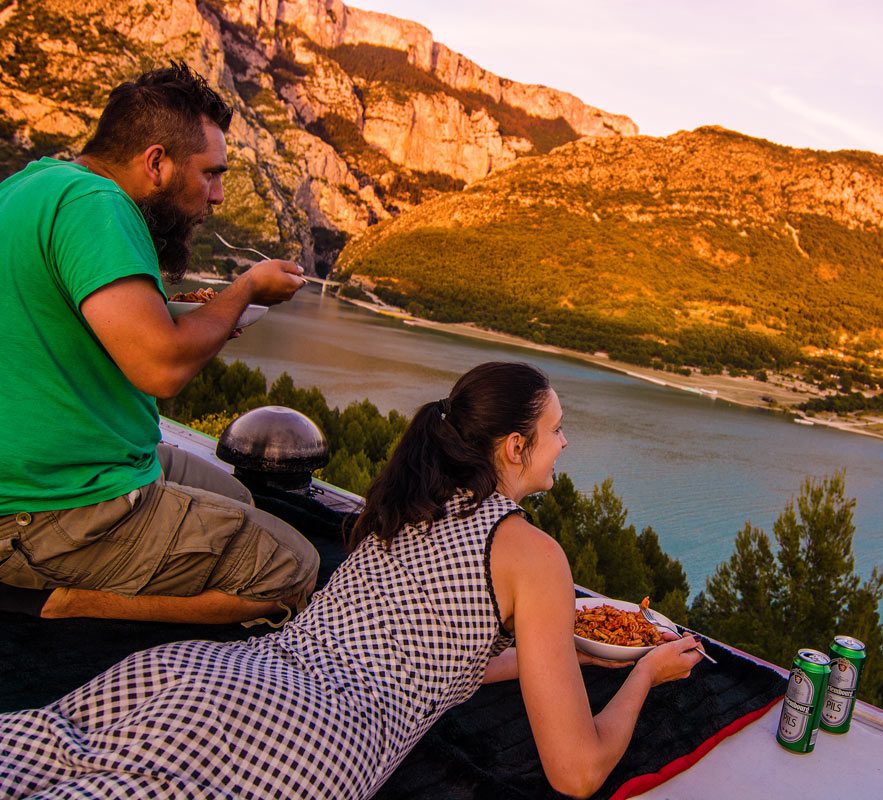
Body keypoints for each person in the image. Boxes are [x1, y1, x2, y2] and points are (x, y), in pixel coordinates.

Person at [0, 361, 708, 799]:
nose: (565, 443)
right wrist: (641, 676)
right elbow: (576, 773)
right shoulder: (531, 554)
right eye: (558, 429)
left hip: (208, 675)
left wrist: (566, 653)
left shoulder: (410, 500)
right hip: (309, 739)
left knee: (36, 755)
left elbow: (427, 651)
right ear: (515, 446)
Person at [0, 62, 318, 623]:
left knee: (238, 500)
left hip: (70, 467)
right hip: (55, 507)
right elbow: (161, 369)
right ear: (156, 162)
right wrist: (246, 285)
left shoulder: (32, 184)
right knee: (294, 568)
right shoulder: (97, 206)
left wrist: (204, 310)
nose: (217, 196)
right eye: (210, 174)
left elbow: (71, 314)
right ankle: (71, 602)